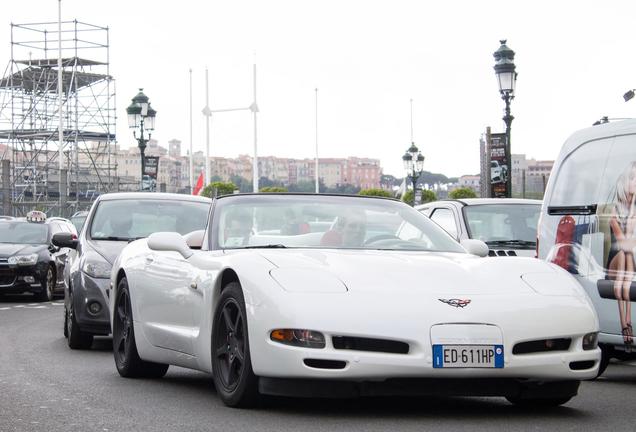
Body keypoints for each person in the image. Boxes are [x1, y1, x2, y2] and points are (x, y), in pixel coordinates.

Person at [607, 161, 636, 345]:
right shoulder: (614, 211)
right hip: (614, 263)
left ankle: (626, 323)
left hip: (630, 261)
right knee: (625, 254)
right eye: (633, 178)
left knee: (628, 255)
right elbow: (624, 242)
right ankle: (626, 322)